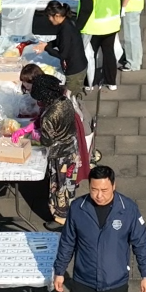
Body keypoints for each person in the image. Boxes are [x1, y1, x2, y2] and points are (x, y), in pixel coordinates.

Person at [33, 73, 88, 228]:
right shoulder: (65, 102)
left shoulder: (49, 116)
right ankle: (70, 210)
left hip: (59, 155)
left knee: (59, 185)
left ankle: (61, 218)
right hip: (72, 148)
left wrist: (36, 135)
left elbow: (47, 140)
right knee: (69, 183)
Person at [79, 0, 122, 90]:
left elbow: (85, 10)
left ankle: (89, 83)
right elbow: (118, 0)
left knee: (89, 55)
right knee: (109, 53)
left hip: (94, 28)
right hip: (112, 24)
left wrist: (77, 28)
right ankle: (111, 82)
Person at [39, 0, 89, 94]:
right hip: (78, 65)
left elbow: (63, 55)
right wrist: (47, 44)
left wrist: (46, 48)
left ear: (57, 16)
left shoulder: (65, 30)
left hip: (75, 70)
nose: (49, 19)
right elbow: (60, 41)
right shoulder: (67, 23)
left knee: (70, 95)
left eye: (49, 16)